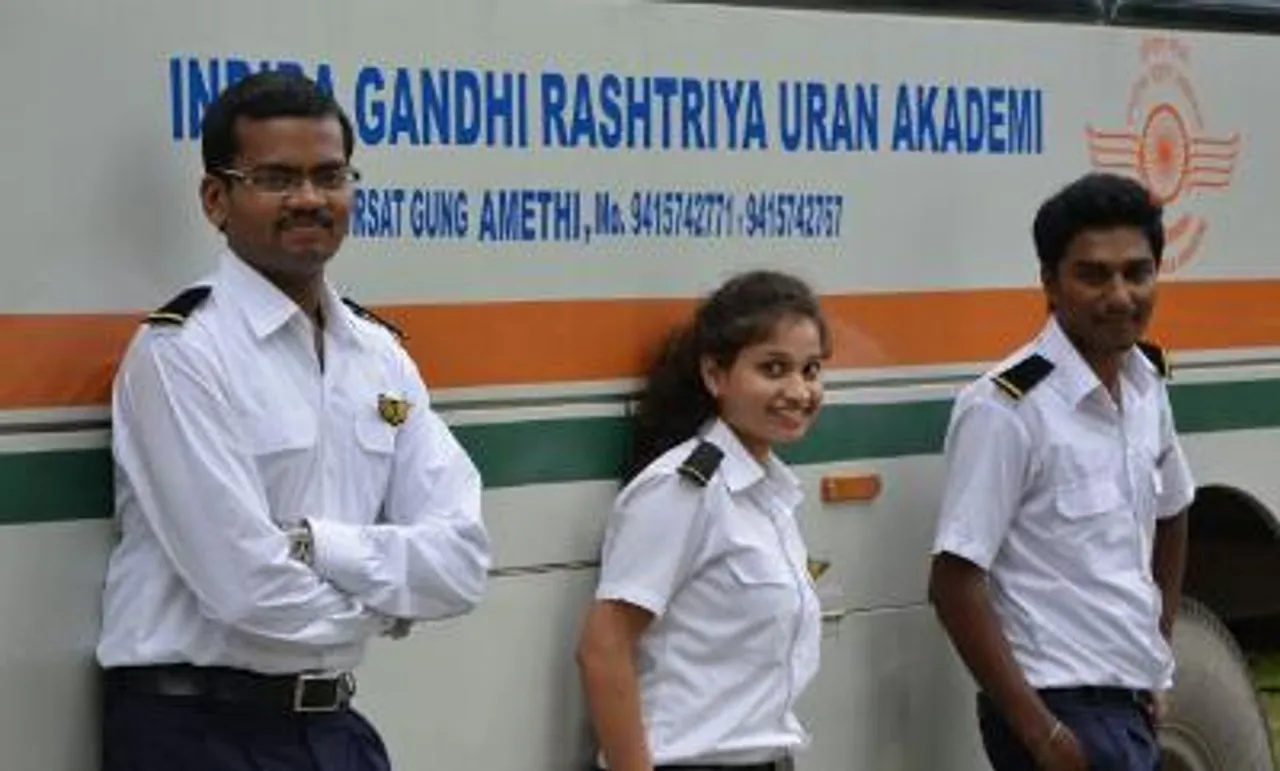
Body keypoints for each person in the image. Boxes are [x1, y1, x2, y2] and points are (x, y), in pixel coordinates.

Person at [95, 70, 491, 771]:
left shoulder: (379, 355)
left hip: (333, 727)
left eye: (330, 176)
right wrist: (391, 605)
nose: (309, 199)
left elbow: (461, 562)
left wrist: (317, 544)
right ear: (217, 199)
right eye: (276, 178)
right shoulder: (182, 353)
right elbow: (245, 589)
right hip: (197, 732)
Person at [928, 171, 1195, 771]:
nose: (1120, 295)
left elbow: (1174, 514)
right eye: (1093, 275)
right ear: (1050, 283)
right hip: (1057, 711)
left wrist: (1158, 651)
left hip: (1127, 705)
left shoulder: (1145, 384)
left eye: (1137, 272)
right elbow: (953, 584)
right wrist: (1043, 736)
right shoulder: (1006, 408)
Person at [575, 270, 829, 771]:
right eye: (774, 369)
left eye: (811, 369)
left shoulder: (769, 496)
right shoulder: (682, 489)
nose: (799, 391)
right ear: (715, 375)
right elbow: (603, 651)